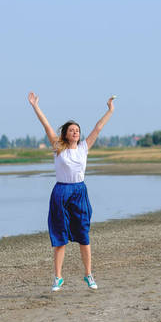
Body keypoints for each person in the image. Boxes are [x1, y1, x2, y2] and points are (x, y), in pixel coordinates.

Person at [28, 92, 115, 292]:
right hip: (61, 192)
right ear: (65, 134)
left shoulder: (84, 148)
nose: (75, 132)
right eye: (72, 130)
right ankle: (58, 277)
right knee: (60, 236)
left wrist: (109, 110)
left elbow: (98, 128)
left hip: (79, 192)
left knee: (83, 235)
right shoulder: (59, 147)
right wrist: (35, 106)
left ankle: (88, 274)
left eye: (77, 130)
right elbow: (47, 126)